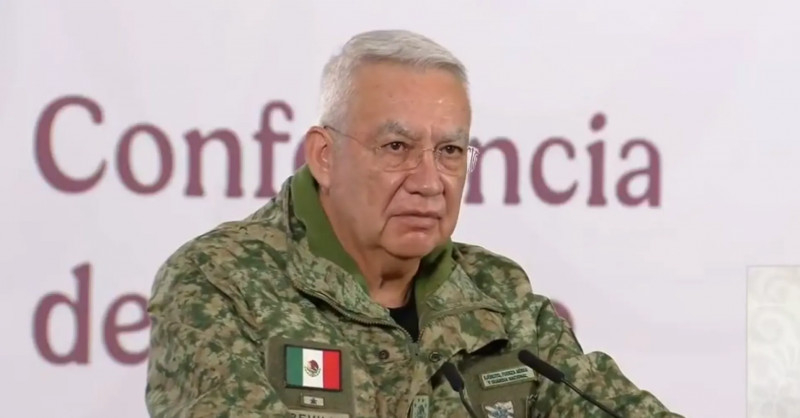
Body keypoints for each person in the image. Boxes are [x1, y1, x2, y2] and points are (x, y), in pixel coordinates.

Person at [145, 29, 682, 418]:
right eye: (397, 147)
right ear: (325, 156)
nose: (429, 182)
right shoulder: (220, 281)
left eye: (450, 151)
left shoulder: (500, 297)